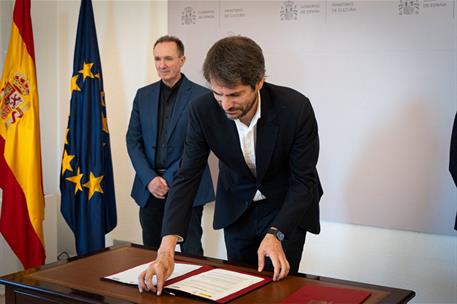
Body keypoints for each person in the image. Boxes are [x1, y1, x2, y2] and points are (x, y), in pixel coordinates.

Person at [138, 36, 323, 294]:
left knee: (278, 291)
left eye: (234, 94)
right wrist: (166, 248)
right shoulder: (202, 110)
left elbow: (304, 181)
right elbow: (187, 176)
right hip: (238, 206)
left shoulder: (295, 108)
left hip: (285, 206)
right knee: (237, 288)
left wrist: (277, 233)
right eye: (218, 93)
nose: (225, 104)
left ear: (259, 82)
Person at [126, 35, 214, 255]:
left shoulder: (202, 97)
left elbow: (199, 146)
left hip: (188, 185)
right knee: (151, 252)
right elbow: (132, 140)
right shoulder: (142, 95)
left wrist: (166, 179)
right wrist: (150, 179)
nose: (162, 65)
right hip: (149, 189)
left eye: (168, 58)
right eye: (157, 59)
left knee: (191, 251)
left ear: (182, 60)